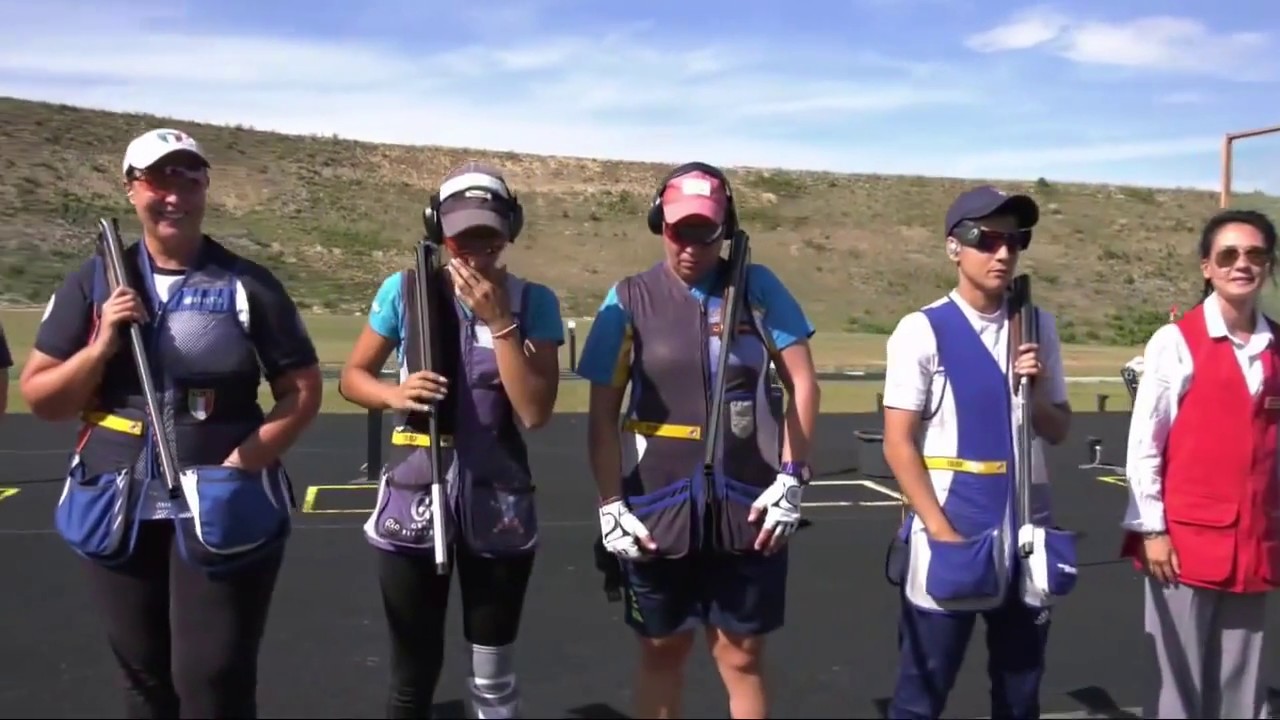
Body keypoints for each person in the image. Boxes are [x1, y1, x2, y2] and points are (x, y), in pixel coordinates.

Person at [19, 128, 323, 717]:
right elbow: (44, 399)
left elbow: (302, 390)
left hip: (222, 506)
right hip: (117, 507)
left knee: (214, 680)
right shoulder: (92, 282)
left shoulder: (247, 283)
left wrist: (245, 462)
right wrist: (102, 344)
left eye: (189, 178)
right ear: (131, 189)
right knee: (144, 681)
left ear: (206, 187)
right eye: (159, 180)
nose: (174, 195)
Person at [577, 162, 821, 719]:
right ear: (659, 224)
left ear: (725, 228)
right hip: (655, 510)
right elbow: (602, 416)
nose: (690, 246)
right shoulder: (630, 297)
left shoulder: (757, 287)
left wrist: (792, 479)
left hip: (750, 507)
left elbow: (803, 384)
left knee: (742, 656)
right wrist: (610, 505)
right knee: (662, 650)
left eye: (704, 232)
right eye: (678, 230)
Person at [338, 161, 564, 719]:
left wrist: (501, 322)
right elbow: (352, 377)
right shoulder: (405, 290)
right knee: (412, 678)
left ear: (510, 232)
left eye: (490, 239)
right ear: (439, 233)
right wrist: (392, 394)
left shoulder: (534, 301)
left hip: (499, 503)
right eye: (463, 240)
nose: (476, 255)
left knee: (493, 681)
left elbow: (534, 411)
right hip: (413, 500)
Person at [880, 185, 1075, 720]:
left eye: (1015, 240)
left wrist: (1035, 388)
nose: (1003, 252)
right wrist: (941, 532)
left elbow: (1058, 428)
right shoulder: (921, 331)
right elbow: (898, 442)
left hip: (1027, 541)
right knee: (921, 697)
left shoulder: (1038, 326)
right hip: (954, 533)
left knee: (1019, 698)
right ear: (954, 246)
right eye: (987, 239)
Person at [1119, 209, 1280, 719]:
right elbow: (1145, 444)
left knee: (1242, 684)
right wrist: (1151, 529)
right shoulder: (1175, 342)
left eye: (1255, 254)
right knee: (1179, 686)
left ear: (1269, 265)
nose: (1241, 265)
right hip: (1184, 547)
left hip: (1254, 545)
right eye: (1228, 255)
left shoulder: (1277, 346)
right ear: (1207, 267)